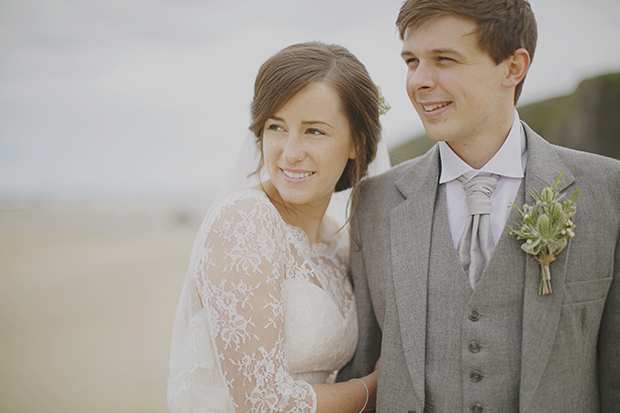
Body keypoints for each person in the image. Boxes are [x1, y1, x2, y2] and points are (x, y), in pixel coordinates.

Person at [337, 0, 620, 412]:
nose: (419, 81)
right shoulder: (373, 203)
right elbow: (362, 375)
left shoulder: (607, 192)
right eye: (412, 61)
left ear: (513, 67)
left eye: (444, 59)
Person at [167, 41, 391, 413]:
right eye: (276, 127)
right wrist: (372, 389)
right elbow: (263, 402)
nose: (289, 152)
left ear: (356, 142)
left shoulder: (337, 244)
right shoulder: (245, 221)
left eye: (314, 131)